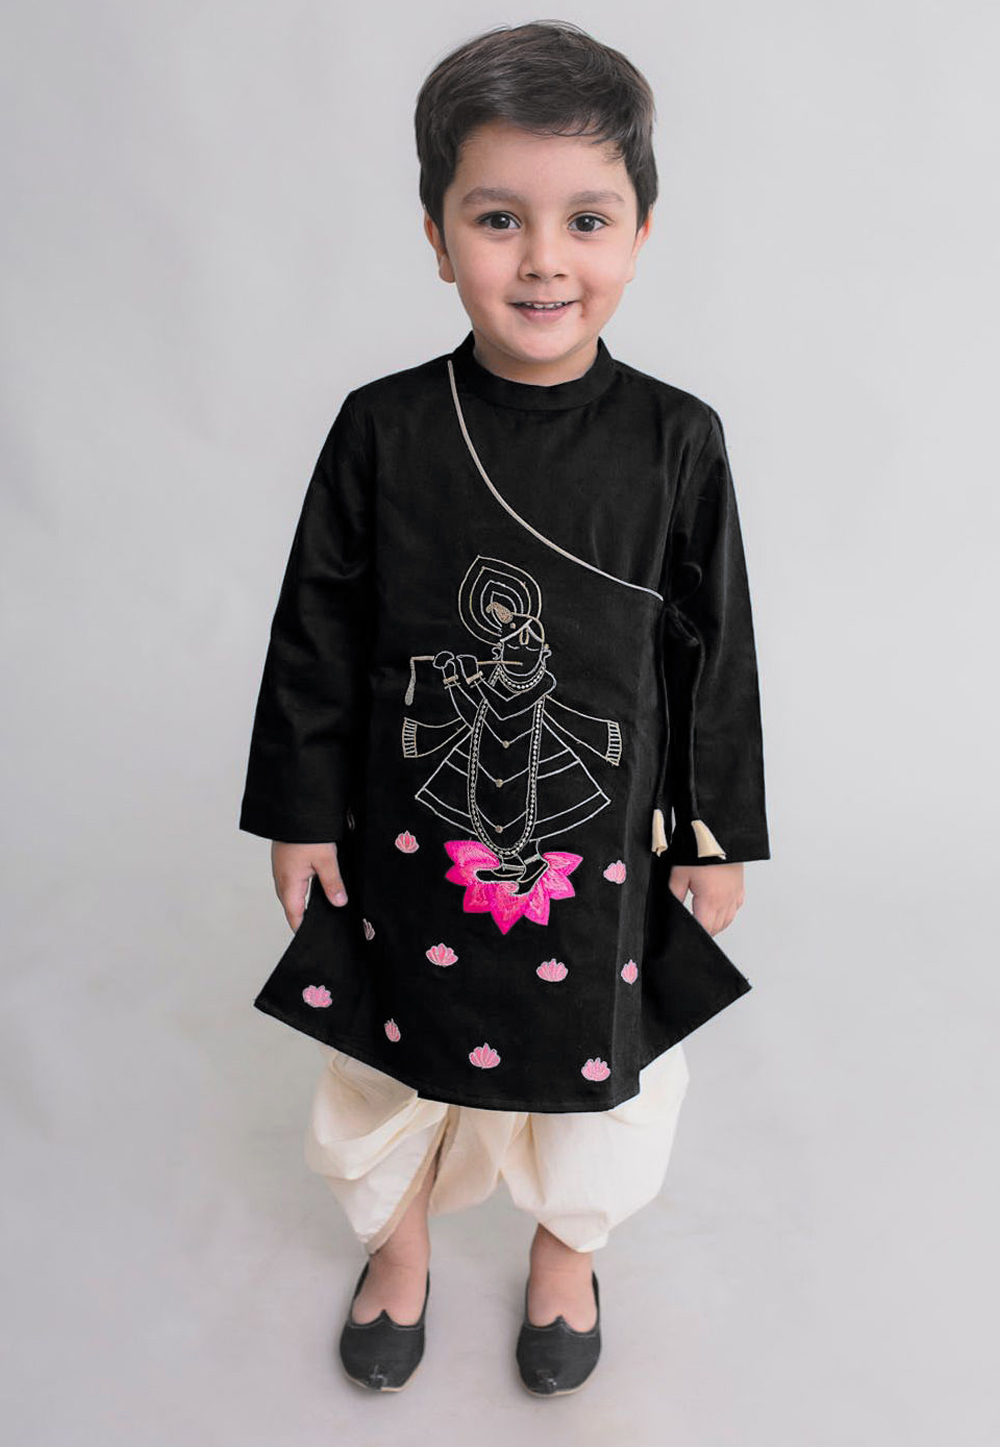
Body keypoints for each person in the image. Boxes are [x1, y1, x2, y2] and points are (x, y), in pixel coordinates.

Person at [238, 19, 770, 1396]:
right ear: (436, 237)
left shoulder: (677, 439)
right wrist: (300, 812)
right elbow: (317, 633)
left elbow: (713, 652)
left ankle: (566, 1250)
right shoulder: (382, 427)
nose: (544, 259)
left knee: (600, 1070)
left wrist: (713, 832)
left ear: (641, 233)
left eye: (586, 219)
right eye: (498, 219)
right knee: (385, 1057)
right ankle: (399, 1242)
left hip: (598, 855)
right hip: (407, 836)